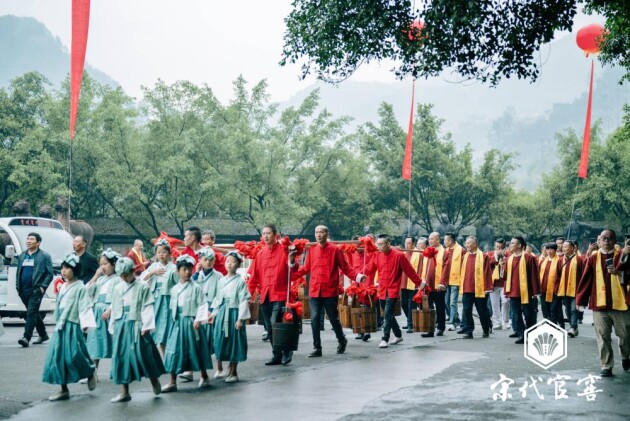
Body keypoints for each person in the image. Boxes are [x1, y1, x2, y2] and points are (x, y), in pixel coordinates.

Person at [290, 225, 360, 357]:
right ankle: (317, 348)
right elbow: (305, 268)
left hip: (329, 290)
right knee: (314, 318)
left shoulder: (335, 249)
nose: (318, 235)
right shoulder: (311, 250)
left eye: (321, 232)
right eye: (316, 232)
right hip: (315, 290)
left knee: (333, 318)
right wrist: (292, 267)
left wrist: (357, 277)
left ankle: (341, 339)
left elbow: (345, 268)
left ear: (327, 234)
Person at [42, 253, 97, 401]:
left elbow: (85, 306)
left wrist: (85, 324)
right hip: (61, 325)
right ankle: (63, 388)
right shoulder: (63, 286)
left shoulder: (80, 287)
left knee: (74, 355)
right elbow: (59, 306)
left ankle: (90, 370)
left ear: (76, 270)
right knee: (58, 357)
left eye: (68, 268)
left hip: (73, 325)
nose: (64, 271)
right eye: (63, 268)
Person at [108, 257, 165, 402]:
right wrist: (113, 325)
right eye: (121, 275)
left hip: (138, 323)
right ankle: (124, 391)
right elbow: (115, 307)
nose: (124, 278)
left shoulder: (143, 286)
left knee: (144, 354)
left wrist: (146, 325)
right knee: (121, 356)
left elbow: (147, 306)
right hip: (121, 323)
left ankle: (154, 380)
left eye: (126, 274)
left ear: (133, 271)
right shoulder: (118, 288)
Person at [576, 229, 630, 377]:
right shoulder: (593, 258)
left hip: (620, 303)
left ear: (615, 241)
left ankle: (625, 356)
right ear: (599, 241)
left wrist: (619, 271)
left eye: (610, 238)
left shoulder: (622, 255)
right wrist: (580, 300)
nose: (606, 241)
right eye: (604, 238)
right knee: (602, 336)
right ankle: (606, 365)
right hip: (599, 304)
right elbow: (586, 279)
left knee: (625, 335)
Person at [360, 234, 424, 349]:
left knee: (387, 313)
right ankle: (398, 335)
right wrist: (358, 276)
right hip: (382, 289)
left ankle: (385, 338)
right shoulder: (377, 255)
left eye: (381, 244)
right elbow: (369, 268)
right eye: (377, 244)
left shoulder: (399, 255)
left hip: (393, 290)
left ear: (388, 244)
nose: (378, 246)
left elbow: (409, 271)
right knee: (388, 314)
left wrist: (419, 283)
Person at [162, 255, 213, 392]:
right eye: (184, 269)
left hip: (191, 322)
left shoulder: (196, 287)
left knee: (196, 349)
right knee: (173, 350)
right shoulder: (174, 289)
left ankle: (204, 375)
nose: (188, 272)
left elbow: (203, 304)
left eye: (190, 269)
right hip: (177, 323)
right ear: (178, 271)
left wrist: (198, 319)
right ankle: (172, 381)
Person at [246, 224, 294, 366]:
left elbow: (294, 270)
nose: (265, 236)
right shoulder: (261, 254)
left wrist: (291, 261)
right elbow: (253, 277)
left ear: (275, 235)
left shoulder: (284, 251)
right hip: (265, 295)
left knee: (275, 324)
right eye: (263, 234)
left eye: (268, 233)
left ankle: (286, 351)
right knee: (268, 327)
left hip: (279, 293)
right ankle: (277, 354)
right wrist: (247, 295)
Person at [210, 251, 251, 383]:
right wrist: (213, 314)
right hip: (222, 313)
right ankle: (224, 367)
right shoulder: (221, 280)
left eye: (233, 261)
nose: (229, 264)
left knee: (235, 341)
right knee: (220, 339)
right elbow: (217, 299)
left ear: (238, 264)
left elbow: (244, 300)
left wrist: (240, 319)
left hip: (234, 313)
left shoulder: (240, 282)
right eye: (228, 261)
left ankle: (234, 371)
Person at [443, 236, 492, 339]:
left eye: (468, 243)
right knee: (467, 310)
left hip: (480, 288)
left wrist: (487, 288)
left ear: (474, 244)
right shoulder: (465, 256)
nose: (466, 245)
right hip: (467, 288)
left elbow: (487, 272)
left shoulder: (483, 256)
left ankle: (486, 329)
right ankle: (469, 330)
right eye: (466, 243)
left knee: (482, 310)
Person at [85, 249, 121, 378]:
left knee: (114, 341)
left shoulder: (118, 280)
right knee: (95, 342)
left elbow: (119, 297)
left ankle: (116, 370)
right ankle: (92, 372)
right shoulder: (100, 280)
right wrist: (95, 276)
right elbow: (88, 292)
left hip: (110, 312)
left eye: (106, 264)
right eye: (101, 264)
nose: (103, 267)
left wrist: (111, 309)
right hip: (97, 311)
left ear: (114, 264)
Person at [140, 239, 178, 357]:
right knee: (156, 325)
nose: (161, 254)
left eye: (164, 252)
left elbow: (178, 284)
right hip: (155, 299)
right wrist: (152, 273)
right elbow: (141, 279)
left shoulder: (173, 268)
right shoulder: (153, 267)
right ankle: (162, 355)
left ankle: (168, 354)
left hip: (168, 299)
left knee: (167, 326)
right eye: (159, 252)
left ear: (169, 254)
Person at [17, 232, 54, 347]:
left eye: (31, 239)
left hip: (36, 290)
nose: (28, 241)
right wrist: (17, 286)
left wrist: (43, 287)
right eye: (27, 239)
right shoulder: (22, 255)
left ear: (38, 243)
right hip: (23, 290)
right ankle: (43, 334)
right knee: (33, 312)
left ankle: (26, 337)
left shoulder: (44, 256)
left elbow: (50, 274)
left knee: (31, 312)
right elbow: (19, 271)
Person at [192, 246, 224, 379]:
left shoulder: (218, 276)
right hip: (199, 309)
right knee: (199, 340)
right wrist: (196, 272)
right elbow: (191, 288)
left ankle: (220, 367)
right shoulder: (196, 275)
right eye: (205, 259)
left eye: (211, 259)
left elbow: (219, 295)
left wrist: (212, 311)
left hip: (212, 309)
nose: (208, 262)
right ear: (200, 260)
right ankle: (201, 371)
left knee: (215, 339)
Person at [504, 236, 541, 344]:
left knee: (529, 314)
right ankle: (521, 334)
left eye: (512, 243)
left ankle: (530, 333)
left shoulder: (529, 258)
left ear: (519, 245)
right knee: (516, 314)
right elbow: (506, 276)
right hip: (514, 291)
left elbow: (534, 276)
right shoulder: (509, 259)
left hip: (527, 292)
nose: (510, 245)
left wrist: (535, 292)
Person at [553, 240, 584, 337]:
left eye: (566, 247)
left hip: (576, 289)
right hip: (564, 289)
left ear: (572, 248)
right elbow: (557, 276)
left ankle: (573, 327)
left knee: (574, 308)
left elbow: (583, 275)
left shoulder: (579, 260)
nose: (563, 249)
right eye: (563, 247)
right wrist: (556, 288)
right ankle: (573, 327)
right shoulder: (560, 260)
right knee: (567, 309)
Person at [419, 232, 446, 337]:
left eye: (432, 239)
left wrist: (442, 283)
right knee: (428, 307)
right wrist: (420, 282)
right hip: (427, 285)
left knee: (440, 307)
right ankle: (430, 329)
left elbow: (446, 270)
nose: (430, 241)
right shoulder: (426, 251)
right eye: (429, 239)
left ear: (438, 240)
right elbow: (422, 267)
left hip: (438, 285)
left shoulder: (444, 252)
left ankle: (440, 328)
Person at [441, 232, 464, 331]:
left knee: (452, 302)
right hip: (446, 280)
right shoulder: (445, 250)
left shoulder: (461, 250)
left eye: (445, 240)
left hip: (456, 279)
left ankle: (452, 322)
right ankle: (457, 319)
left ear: (450, 241)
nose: (444, 242)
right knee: (446, 302)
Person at [487, 239, 510, 331]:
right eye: (497, 247)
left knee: (505, 301)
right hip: (494, 283)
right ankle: (497, 321)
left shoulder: (508, 255)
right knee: (494, 304)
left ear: (504, 248)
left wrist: (504, 259)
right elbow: (488, 263)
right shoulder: (490, 254)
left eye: (501, 247)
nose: (499, 249)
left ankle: (506, 320)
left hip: (504, 282)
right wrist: (496, 256)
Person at [399, 236, 420, 333]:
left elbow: (420, 268)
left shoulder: (419, 254)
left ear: (413, 244)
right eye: (405, 243)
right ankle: (410, 321)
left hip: (413, 283)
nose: (406, 245)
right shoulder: (403, 253)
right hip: (403, 282)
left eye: (409, 243)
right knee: (403, 303)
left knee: (412, 304)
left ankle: (410, 324)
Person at [539, 242, 562, 323]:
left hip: (554, 290)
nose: (549, 251)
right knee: (545, 309)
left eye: (551, 249)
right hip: (543, 290)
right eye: (548, 249)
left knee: (553, 310)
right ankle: (548, 324)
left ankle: (554, 327)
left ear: (555, 250)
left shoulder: (559, 261)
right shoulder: (543, 261)